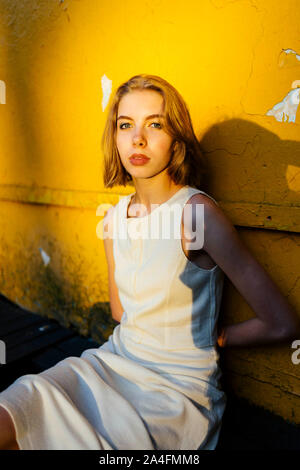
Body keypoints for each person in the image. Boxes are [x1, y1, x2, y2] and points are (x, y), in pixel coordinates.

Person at [0, 74, 299, 450]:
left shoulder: (196, 214)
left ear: (177, 139)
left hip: (173, 393)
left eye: (154, 124)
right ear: (115, 137)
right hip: (110, 363)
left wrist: (215, 337)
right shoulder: (113, 219)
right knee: (19, 405)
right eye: (126, 125)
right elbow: (120, 311)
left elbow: (282, 323)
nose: (137, 139)